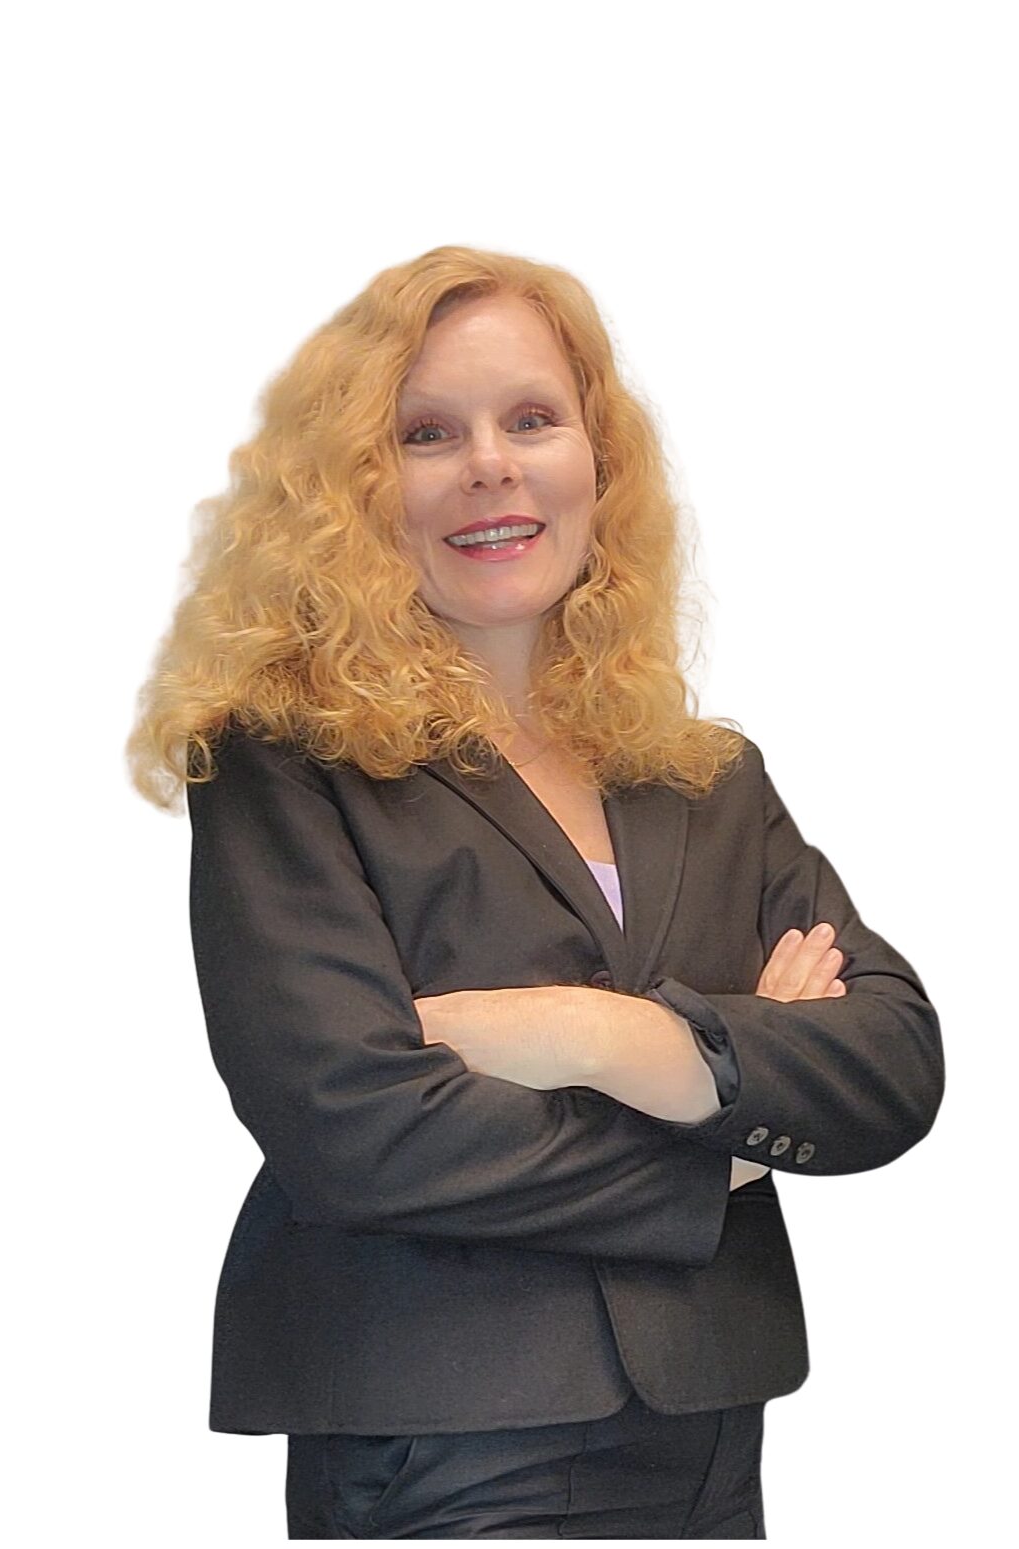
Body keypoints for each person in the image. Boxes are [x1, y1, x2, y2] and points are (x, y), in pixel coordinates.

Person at [126, 245, 945, 1539]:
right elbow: (357, 1131)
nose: (490, 465)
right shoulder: (283, 763)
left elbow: (892, 1060)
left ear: (596, 462)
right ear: (356, 490)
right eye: (427, 433)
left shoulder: (707, 777)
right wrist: (723, 1126)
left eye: (531, 419)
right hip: (442, 1442)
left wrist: (608, 1037)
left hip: (708, 1435)